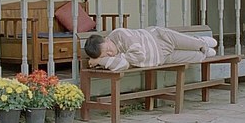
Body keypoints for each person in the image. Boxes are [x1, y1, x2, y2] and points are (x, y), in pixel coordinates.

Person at [84, 27, 218, 72]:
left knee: (194, 43)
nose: (110, 53)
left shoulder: (119, 34)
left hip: (160, 38)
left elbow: (139, 55)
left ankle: (203, 42)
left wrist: (108, 58)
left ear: (106, 39)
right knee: (196, 57)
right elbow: (123, 65)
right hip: (161, 58)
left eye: (108, 48)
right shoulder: (112, 59)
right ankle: (205, 53)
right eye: (106, 55)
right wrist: (100, 61)